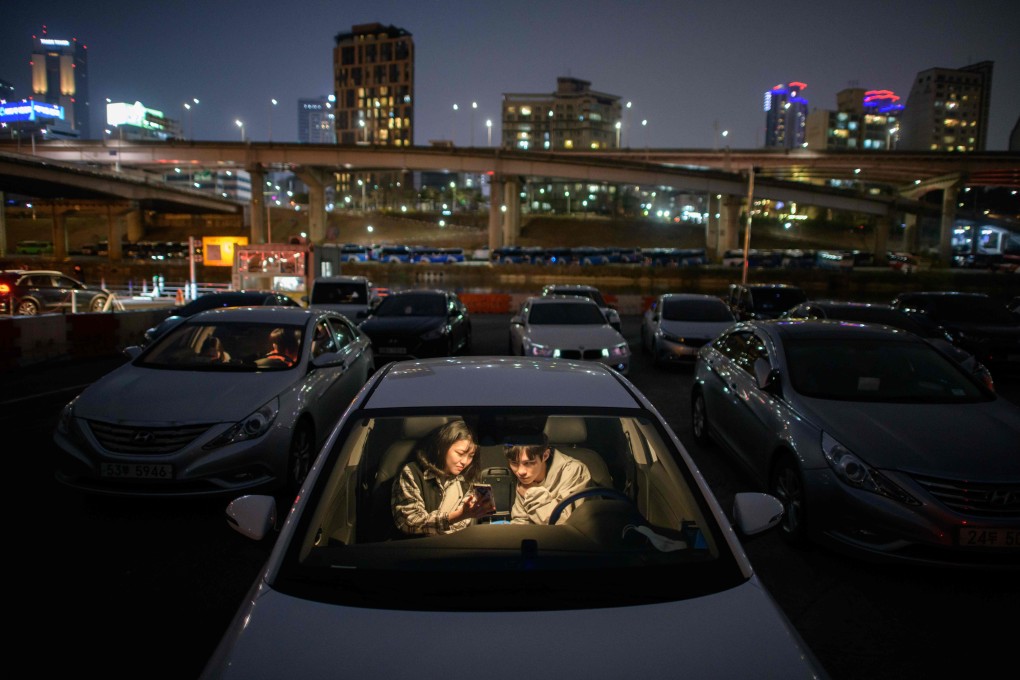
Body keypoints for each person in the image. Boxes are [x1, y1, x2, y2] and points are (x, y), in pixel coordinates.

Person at [391, 419, 495, 536]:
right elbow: (410, 522)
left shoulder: (467, 480)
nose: (465, 461)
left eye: (471, 456)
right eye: (460, 453)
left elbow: (460, 526)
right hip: (416, 548)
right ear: (443, 447)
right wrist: (457, 516)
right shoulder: (412, 473)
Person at [505, 430, 592, 525]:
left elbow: (564, 524)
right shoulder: (527, 476)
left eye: (529, 463)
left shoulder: (574, 471)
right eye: (514, 463)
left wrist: (532, 493)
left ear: (545, 455)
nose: (520, 471)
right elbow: (520, 521)